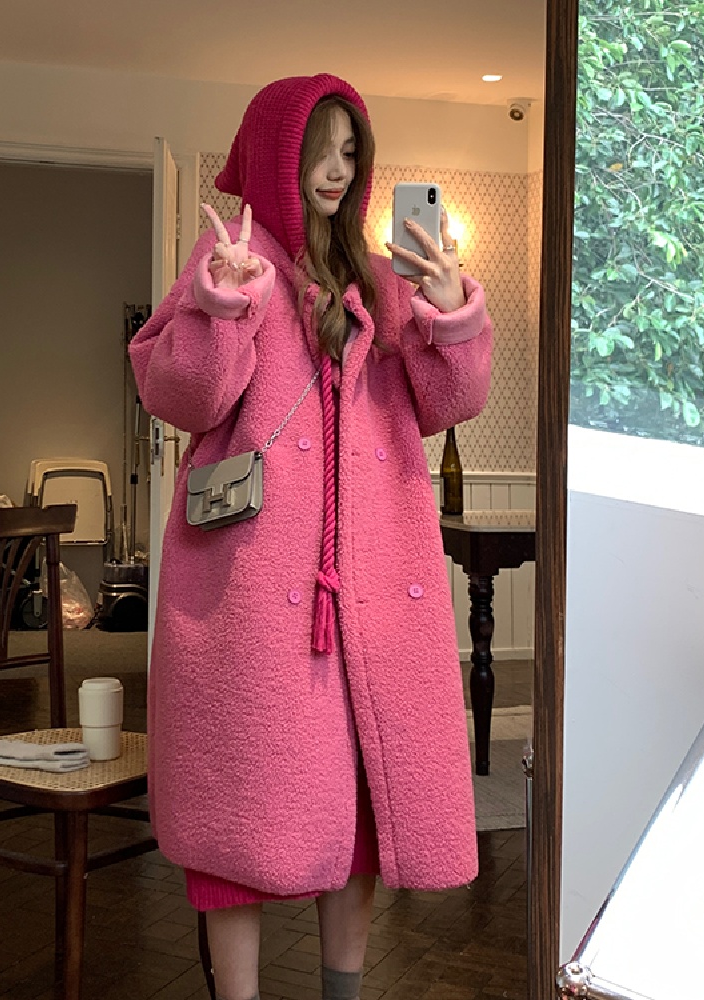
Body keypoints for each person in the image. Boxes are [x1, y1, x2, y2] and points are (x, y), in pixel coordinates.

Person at [128, 73, 493, 1000]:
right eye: (317, 150)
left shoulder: (383, 276)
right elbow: (181, 398)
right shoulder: (231, 257)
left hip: (370, 590)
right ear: (274, 157)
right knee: (235, 817)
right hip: (249, 594)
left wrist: (449, 306)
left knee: (362, 806)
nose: (337, 170)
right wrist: (222, 305)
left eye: (350, 152)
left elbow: (451, 401)